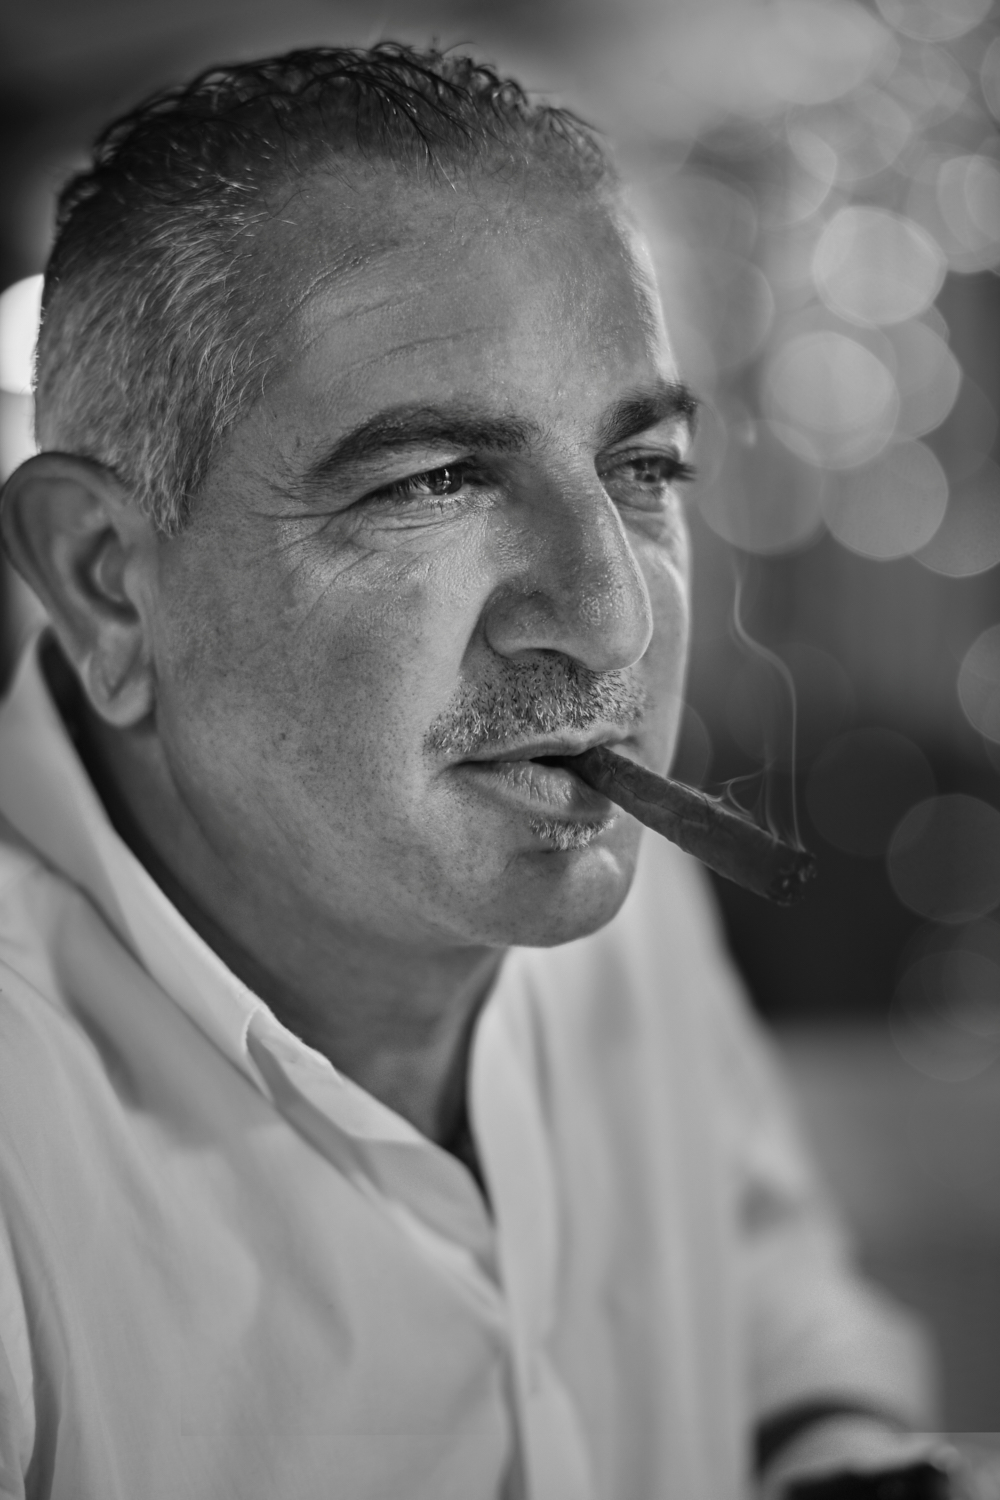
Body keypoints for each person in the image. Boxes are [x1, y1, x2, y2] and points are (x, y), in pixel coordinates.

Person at [0, 43, 955, 1500]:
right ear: (107, 583)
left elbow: (760, 1287)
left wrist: (839, 1450)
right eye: (432, 481)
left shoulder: (601, 870)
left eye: (643, 470)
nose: (614, 619)